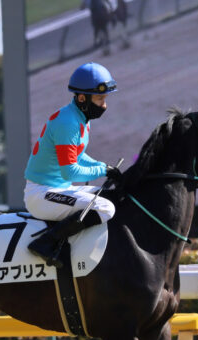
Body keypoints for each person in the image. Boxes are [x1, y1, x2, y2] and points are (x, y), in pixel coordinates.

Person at [24, 61, 123, 268]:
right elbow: (70, 172)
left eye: (104, 99)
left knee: (110, 197)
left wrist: (103, 166)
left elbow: (78, 154)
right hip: (42, 194)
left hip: (56, 189)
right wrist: (102, 170)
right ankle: (45, 243)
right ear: (82, 98)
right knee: (105, 208)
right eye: (100, 99)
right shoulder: (68, 123)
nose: (104, 105)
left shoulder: (79, 117)